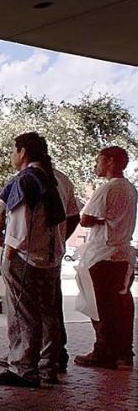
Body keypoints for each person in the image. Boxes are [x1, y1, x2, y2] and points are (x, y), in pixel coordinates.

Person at [0, 132, 68, 387]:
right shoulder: (54, 179)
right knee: (49, 314)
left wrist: (9, 254)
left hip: (25, 257)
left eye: (14, 151)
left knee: (24, 314)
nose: (13, 156)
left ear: (23, 152)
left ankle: (24, 368)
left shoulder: (25, 180)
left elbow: (20, 226)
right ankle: (47, 366)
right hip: (50, 258)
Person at [73, 146, 137, 369]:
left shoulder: (107, 189)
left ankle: (104, 350)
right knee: (121, 305)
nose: (96, 165)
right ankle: (124, 353)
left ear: (110, 161)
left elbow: (86, 219)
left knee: (99, 306)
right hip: (122, 255)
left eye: (99, 160)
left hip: (103, 255)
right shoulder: (130, 188)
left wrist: (97, 219)